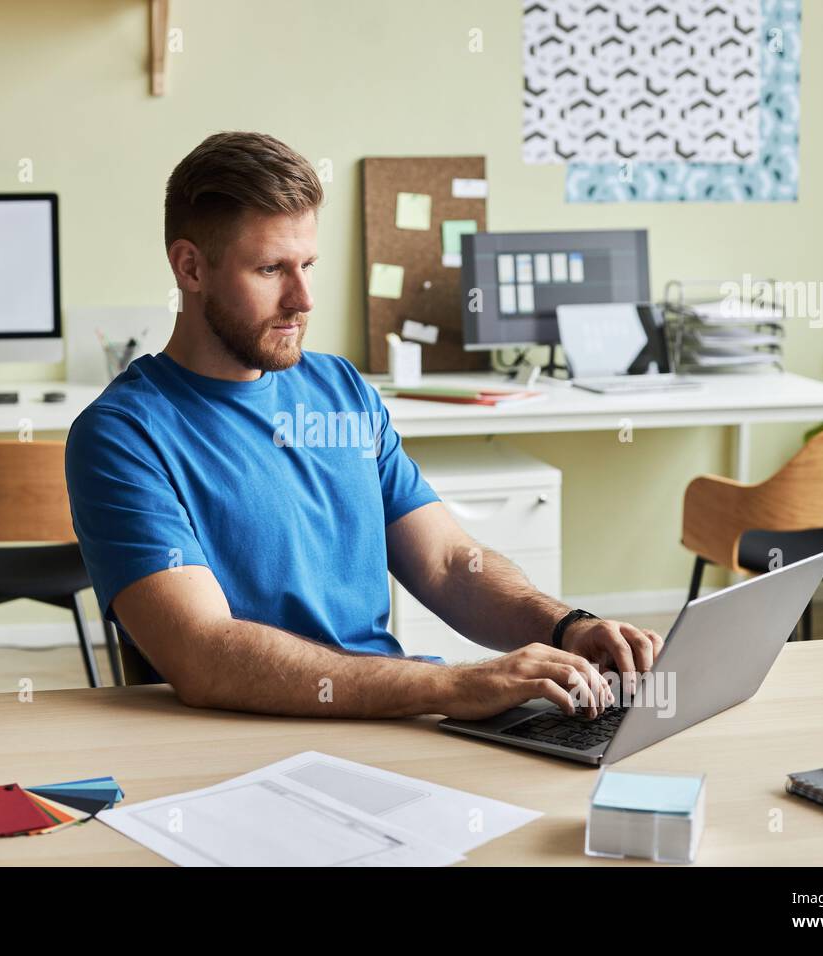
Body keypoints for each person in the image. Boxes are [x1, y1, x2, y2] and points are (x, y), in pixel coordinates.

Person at [66, 130, 663, 720]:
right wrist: (452, 685)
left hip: (396, 719)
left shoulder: (341, 389)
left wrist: (566, 627)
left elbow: (450, 564)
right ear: (190, 267)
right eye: (272, 269)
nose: (303, 299)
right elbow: (205, 655)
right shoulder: (123, 436)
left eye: (308, 265)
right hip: (254, 747)